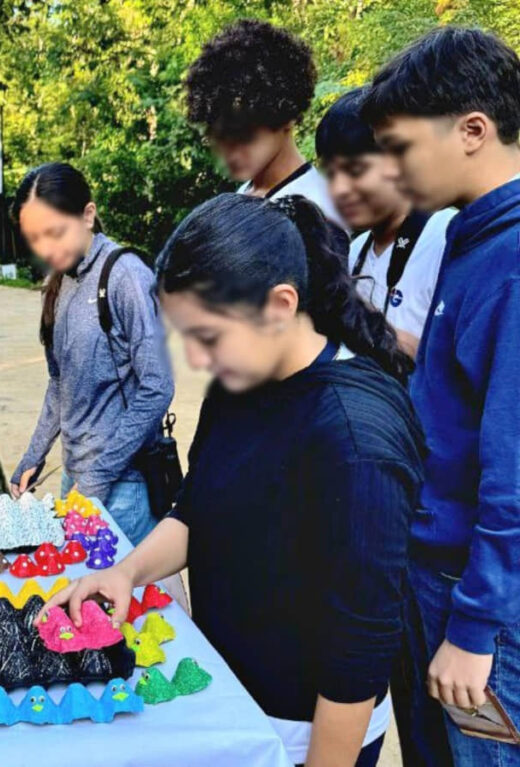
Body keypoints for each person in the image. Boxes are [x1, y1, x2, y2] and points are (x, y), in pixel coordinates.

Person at [40, 193, 425, 767]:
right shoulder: (238, 384)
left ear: (279, 305)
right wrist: (126, 572)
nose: (197, 359)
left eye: (208, 336)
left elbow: (361, 646)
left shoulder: (353, 437)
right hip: (229, 699)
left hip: (307, 736)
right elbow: (200, 509)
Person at [361, 26, 520, 766]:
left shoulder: (512, 258)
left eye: (399, 148)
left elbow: (514, 468)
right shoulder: (468, 236)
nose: (389, 170)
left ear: (472, 131)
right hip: (432, 571)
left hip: (479, 599)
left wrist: (476, 627)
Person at [8, 162, 174, 546]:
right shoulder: (62, 282)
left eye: (55, 233)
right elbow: (59, 382)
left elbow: (158, 386)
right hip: (78, 481)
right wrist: (34, 456)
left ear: (88, 214)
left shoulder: (126, 276)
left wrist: (99, 476)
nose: (46, 249)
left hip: (124, 489)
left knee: (125, 603)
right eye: (35, 239)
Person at [316, 87, 454, 359]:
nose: (340, 189)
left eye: (355, 170)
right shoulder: (354, 252)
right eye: (330, 175)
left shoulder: (447, 238)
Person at [185, 19, 348, 239]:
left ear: (286, 116)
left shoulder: (317, 210)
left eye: (244, 134)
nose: (231, 149)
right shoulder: (246, 192)